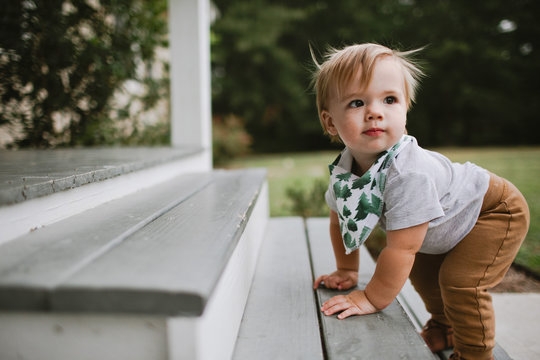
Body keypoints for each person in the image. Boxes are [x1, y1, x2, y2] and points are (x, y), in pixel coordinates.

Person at [311, 43, 530, 360]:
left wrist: (371, 298)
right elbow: (339, 218)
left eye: (389, 100)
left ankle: (475, 354)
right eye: (357, 102)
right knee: (424, 275)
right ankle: (444, 329)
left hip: (492, 211)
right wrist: (347, 269)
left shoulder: (407, 174)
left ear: (405, 108)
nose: (375, 111)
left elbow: (401, 248)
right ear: (331, 123)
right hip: (438, 225)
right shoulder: (346, 170)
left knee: (459, 284)